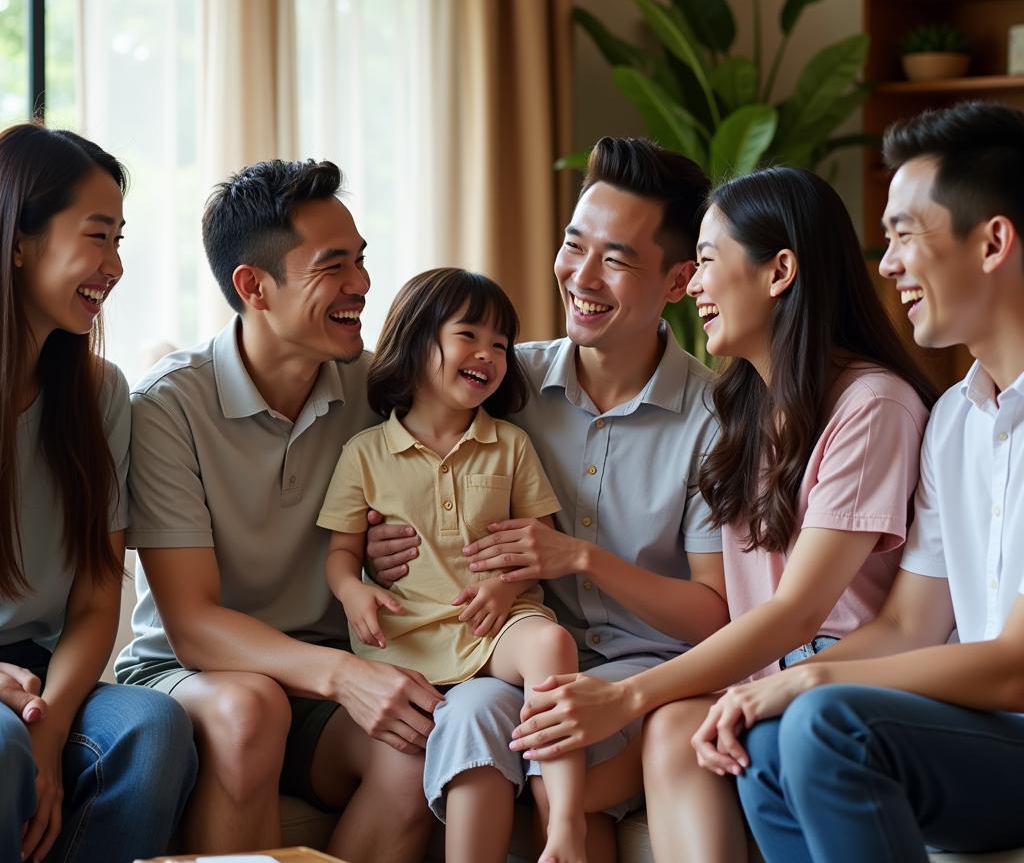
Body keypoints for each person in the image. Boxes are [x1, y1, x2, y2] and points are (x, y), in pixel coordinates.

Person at [502, 166, 935, 862]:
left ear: (779, 271)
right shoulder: (742, 409)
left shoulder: (870, 405)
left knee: (660, 731)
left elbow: (796, 614)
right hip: (756, 671)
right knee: (621, 758)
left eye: (706, 262)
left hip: (839, 674)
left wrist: (628, 696)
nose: (695, 285)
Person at [367, 136, 731, 862]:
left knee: (562, 737)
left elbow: (713, 613)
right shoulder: (502, 382)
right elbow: (404, 464)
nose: (581, 276)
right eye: (574, 246)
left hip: (646, 671)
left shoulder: (715, 420)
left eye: (617, 259)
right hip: (509, 658)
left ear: (677, 279)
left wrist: (580, 557)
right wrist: (380, 543)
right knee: (467, 714)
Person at [697, 101, 1024, 863]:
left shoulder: (888, 406)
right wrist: (764, 689)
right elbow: (911, 624)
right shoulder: (955, 422)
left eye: (905, 234)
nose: (887, 264)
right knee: (767, 735)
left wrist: (806, 685)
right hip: (989, 742)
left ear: (993, 242)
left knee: (821, 720)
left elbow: (1015, 663)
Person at [115, 158, 441, 860]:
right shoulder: (170, 406)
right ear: (253, 286)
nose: (361, 284)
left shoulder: (373, 387)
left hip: (319, 677)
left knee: (420, 758)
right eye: (333, 266)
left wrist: (386, 553)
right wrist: (346, 676)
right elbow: (194, 627)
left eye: (360, 260)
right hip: (191, 678)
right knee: (249, 708)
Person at [319, 266, 585, 863]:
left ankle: (564, 822)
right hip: (406, 642)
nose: (488, 355)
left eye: (501, 344)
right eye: (470, 336)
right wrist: (352, 593)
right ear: (417, 342)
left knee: (552, 646)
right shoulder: (364, 453)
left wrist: (503, 586)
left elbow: (538, 543)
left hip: (496, 628)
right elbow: (341, 552)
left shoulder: (510, 444)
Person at [0, 122, 197, 863]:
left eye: (120, 240)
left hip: (44, 676)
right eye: (98, 236)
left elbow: (93, 598)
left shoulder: (98, 392)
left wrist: (49, 734)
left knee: (153, 729)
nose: (114, 265)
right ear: (19, 239)